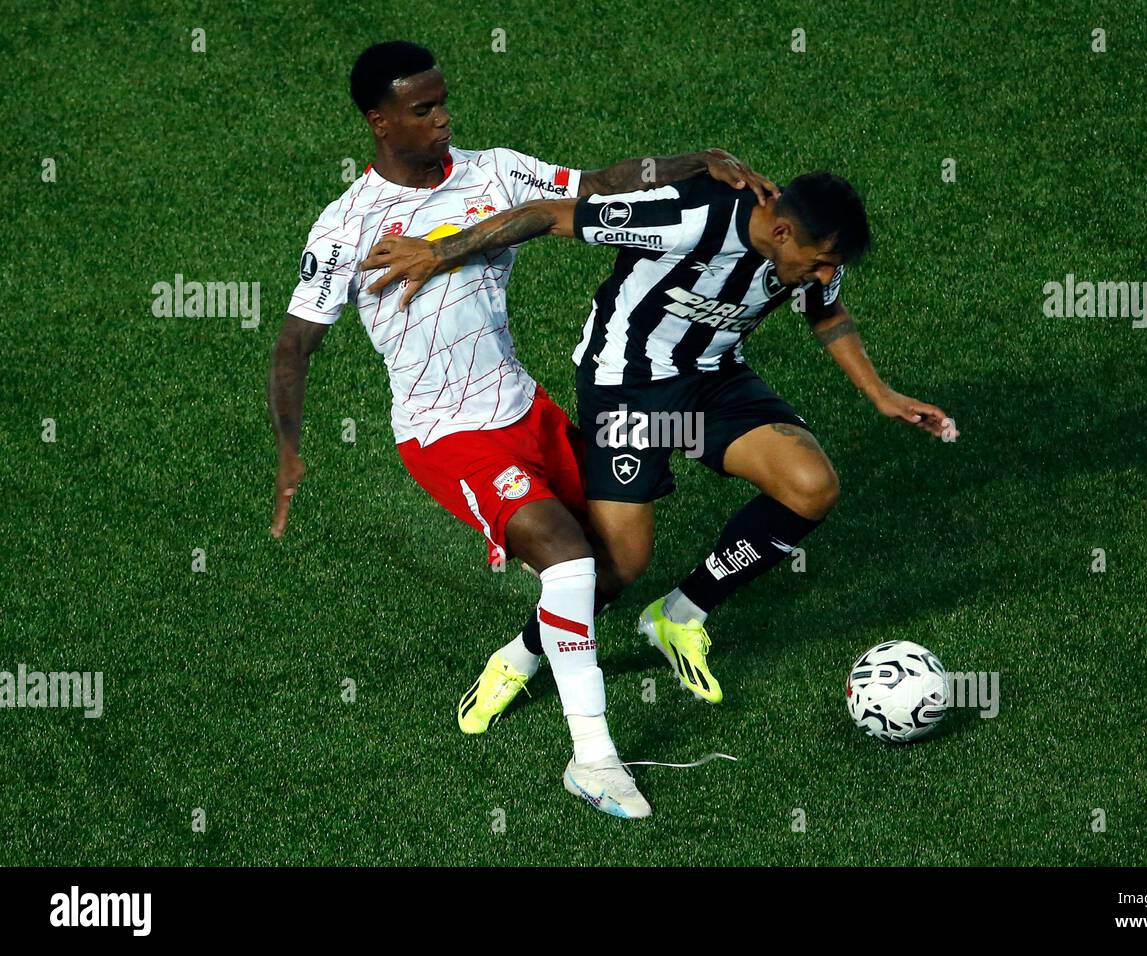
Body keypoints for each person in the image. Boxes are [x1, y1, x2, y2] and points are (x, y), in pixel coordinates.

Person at [267, 39, 777, 818]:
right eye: (422, 110)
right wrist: (290, 452)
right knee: (569, 563)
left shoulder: (495, 171)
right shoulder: (344, 230)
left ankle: (518, 655)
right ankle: (594, 759)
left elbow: (604, 184)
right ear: (378, 122)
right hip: (447, 435)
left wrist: (696, 160)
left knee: (619, 563)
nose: (442, 120)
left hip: (527, 410)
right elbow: (294, 346)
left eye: (443, 103)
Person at [359, 170, 958, 717]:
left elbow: (825, 312)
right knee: (618, 566)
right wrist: (439, 251)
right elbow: (547, 213)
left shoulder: (810, 253)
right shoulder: (689, 217)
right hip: (629, 389)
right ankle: (520, 656)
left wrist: (881, 394)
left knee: (811, 486)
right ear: (780, 230)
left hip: (715, 381)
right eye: (821, 261)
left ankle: (680, 613)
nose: (825, 274)